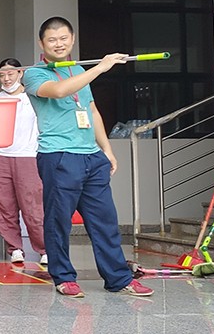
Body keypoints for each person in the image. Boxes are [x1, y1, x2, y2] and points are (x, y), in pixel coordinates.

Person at [22, 16, 153, 298]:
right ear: (41, 44)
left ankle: (118, 278)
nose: (59, 44)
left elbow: (91, 111)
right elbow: (59, 91)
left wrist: (106, 149)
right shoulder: (33, 74)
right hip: (58, 155)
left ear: (72, 39)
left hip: (91, 157)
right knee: (59, 221)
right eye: (52, 40)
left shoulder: (78, 70)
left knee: (105, 221)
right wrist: (101, 67)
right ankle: (63, 277)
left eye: (64, 38)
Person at [0, 58, 47, 266]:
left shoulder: (33, 97)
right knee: (4, 207)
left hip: (28, 156)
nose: (6, 78)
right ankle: (15, 248)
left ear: (21, 73)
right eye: (2, 75)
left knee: (33, 207)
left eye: (10, 73)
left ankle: (44, 249)